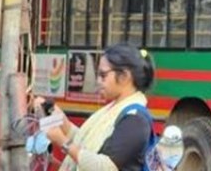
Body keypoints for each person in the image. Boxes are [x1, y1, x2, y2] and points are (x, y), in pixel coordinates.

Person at [40, 43, 155, 171]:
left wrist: (63, 142)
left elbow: (104, 167)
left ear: (124, 77)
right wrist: (60, 119)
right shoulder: (112, 108)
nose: (98, 81)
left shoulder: (135, 119)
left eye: (103, 75)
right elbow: (86, 142)